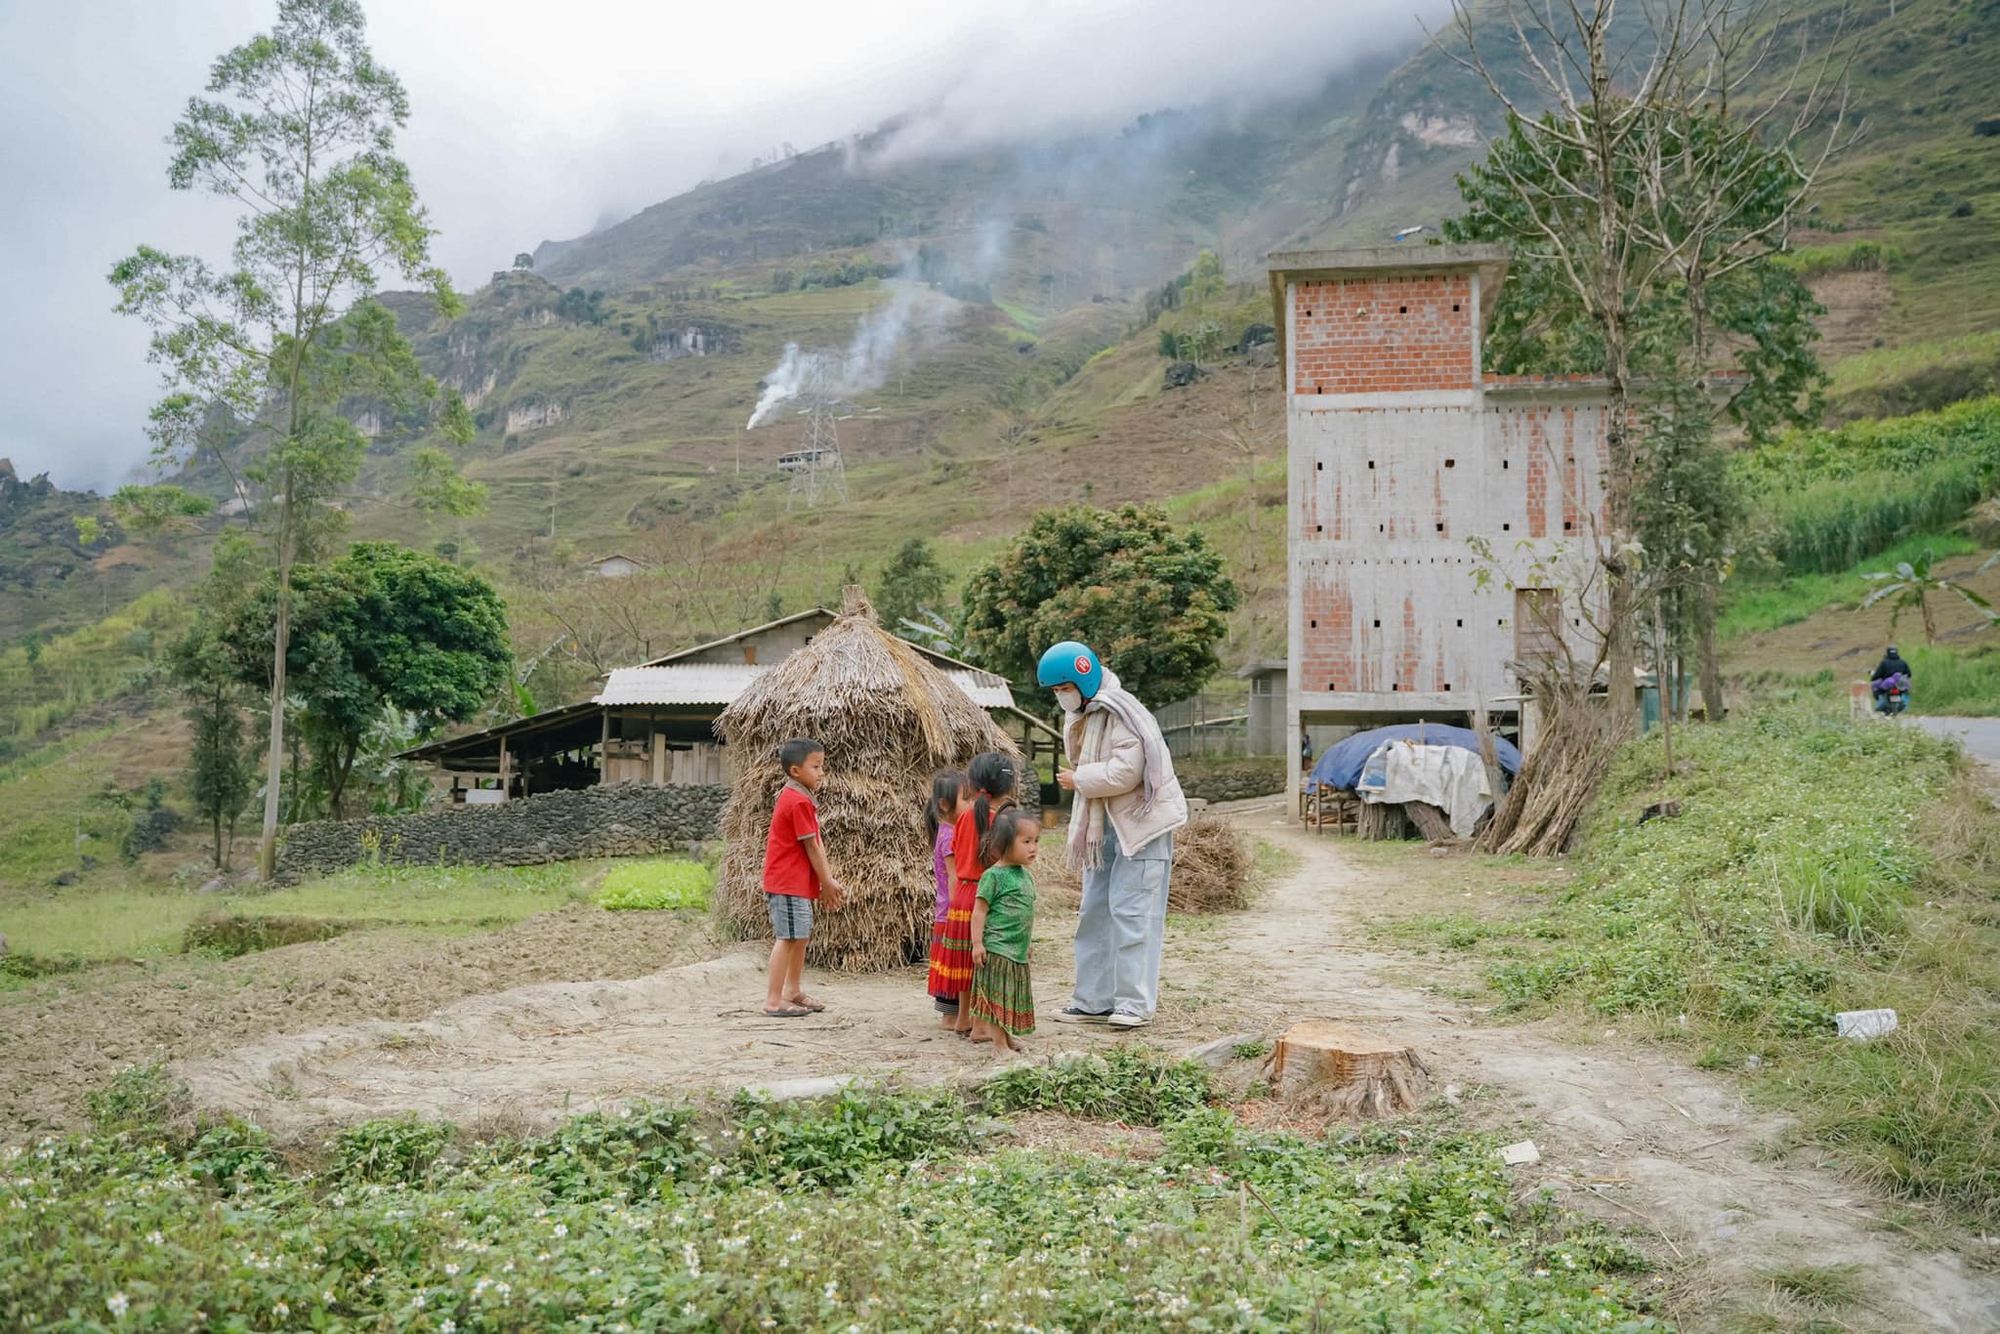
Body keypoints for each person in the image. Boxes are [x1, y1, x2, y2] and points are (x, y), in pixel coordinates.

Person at [1038, 641, 1189, 1030]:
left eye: (1063, 688)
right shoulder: (1088, 713)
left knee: (1133, 912)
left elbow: (1127, 771)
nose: (1061, 697)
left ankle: (1133, 1004)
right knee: (1095, 911)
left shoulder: (1123, 711)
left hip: (1140, 827)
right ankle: (1092, 1001)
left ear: (1083, 679)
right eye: (1056, 692)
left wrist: (1079, 780)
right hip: (1103, 825)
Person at [761, 738, 845, 1018]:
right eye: (816, 766)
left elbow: (816, 844)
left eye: (823, 766)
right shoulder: (797, 800)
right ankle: (774, 999)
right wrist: (828, 882)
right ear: (796, 771)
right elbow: (812, 847)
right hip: (787, 882)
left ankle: (792, 990)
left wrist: (825, 880)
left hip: (795, 883)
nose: (822, 772)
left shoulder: (801, 798)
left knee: (800, 936)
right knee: (787, 938)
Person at [942, 751, 1019, 1035]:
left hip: (962, 894)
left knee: (965, 962)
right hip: (986, 897)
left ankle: (964, 1018)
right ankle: (981, 1026)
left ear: (972, 785)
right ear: (1010, 788)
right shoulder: (1005, 821)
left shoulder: (964, 817)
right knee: (985, 963)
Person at [969, 807, 1041, 1053]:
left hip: (1017, 949)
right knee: (997, 997)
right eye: (1026, 841)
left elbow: (1025, 913)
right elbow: (979, 911)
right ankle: (998, 1044)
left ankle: (1007, 1037)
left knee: (1008, 996)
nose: (1033, 847)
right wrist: (977, 943)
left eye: (1036, 841)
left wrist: (1027, 943)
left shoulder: (1026, 876)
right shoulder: (993, 876)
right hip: (997, 948)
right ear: (1005, 843)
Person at [923, 768, 973, 1028]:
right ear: (945, 804)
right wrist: (960, 911)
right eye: (966, 799)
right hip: (951, 911)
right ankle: (951, 1016)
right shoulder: (951, 836)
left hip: (944, 910)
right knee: (954, 964)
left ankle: (951, 1015)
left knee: (949, 962)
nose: (972, 805)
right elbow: (955, 876)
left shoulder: (944, 832)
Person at [1871, 644, 1913, 713]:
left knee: (1875, 687)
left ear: (1887, 652)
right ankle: (1903, 706)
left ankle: (1881, 703)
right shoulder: (1903, 662)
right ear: (1896, 652)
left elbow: (1878, 674)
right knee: (1905, 692)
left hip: (1887, 685)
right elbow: (1909, 674)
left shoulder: (1884, 663)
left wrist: (1873, 678)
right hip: (1900, 685)